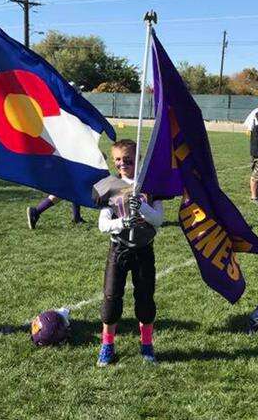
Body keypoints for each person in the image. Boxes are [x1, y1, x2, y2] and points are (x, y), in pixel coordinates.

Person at [96, 139, 164, 366]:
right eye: (118, 160)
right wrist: (123, 222)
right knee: (111, 298)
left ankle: (146, 344)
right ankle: (107, 345)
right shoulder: (110, 185)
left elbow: (158, 220)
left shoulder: (150, 185)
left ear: (138, 159)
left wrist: (142, 207)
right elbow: (103, 224)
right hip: (119, 249)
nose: (122, 164)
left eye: (127, 159)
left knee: (145, 298)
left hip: (144, 250)